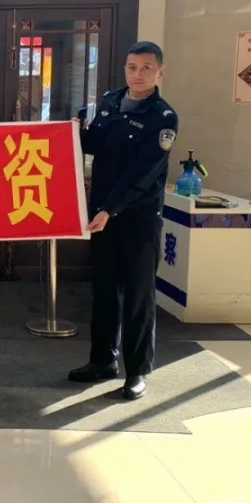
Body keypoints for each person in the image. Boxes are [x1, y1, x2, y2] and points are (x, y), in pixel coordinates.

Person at [69, 41, 178, 400]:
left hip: (137, 218)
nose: (138, 74)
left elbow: (142, 173)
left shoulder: (163, 117)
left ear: (160, 72)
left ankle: (137, 371)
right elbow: (95, 144)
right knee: (103, 291)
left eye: (146, 68)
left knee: (137, 295)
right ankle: (102, 360)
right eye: (132, 67)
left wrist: (110, 209)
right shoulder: (110, 101)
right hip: (102, 215)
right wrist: (72, 133)